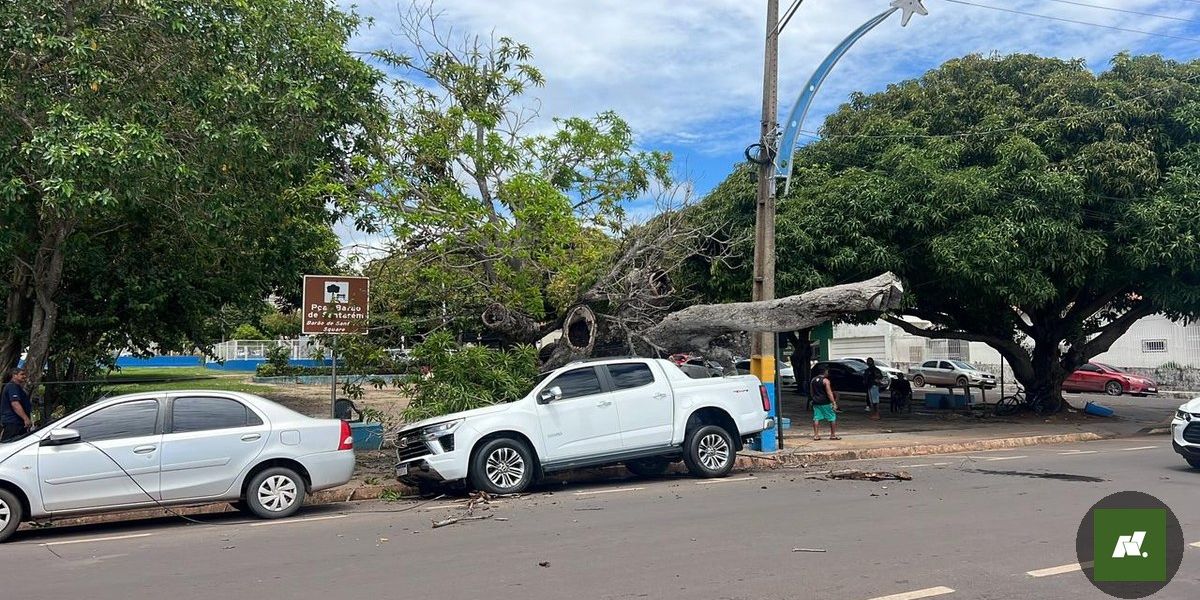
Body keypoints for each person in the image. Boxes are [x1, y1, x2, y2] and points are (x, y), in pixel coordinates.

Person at [809, 365, 840, 440]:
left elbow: (811, 391)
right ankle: (833, 435)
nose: (828, 373)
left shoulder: (813, 380)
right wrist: (833, 402)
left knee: (816, 418)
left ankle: (816, 435)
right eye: (827, 371)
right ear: (825, 372)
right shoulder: (826, 381)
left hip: (816, 402)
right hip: (825, 402)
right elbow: (829, 393)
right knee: (832, 417)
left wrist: (813, 399)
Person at [1, 367, 32, 442]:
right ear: (14, 375)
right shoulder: (12, 386)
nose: (24, 376)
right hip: (13, 423)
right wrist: (26, 418)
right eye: (22, 374)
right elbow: (15, 404)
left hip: (18, 423)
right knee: (9, 445)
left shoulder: (17, 387)